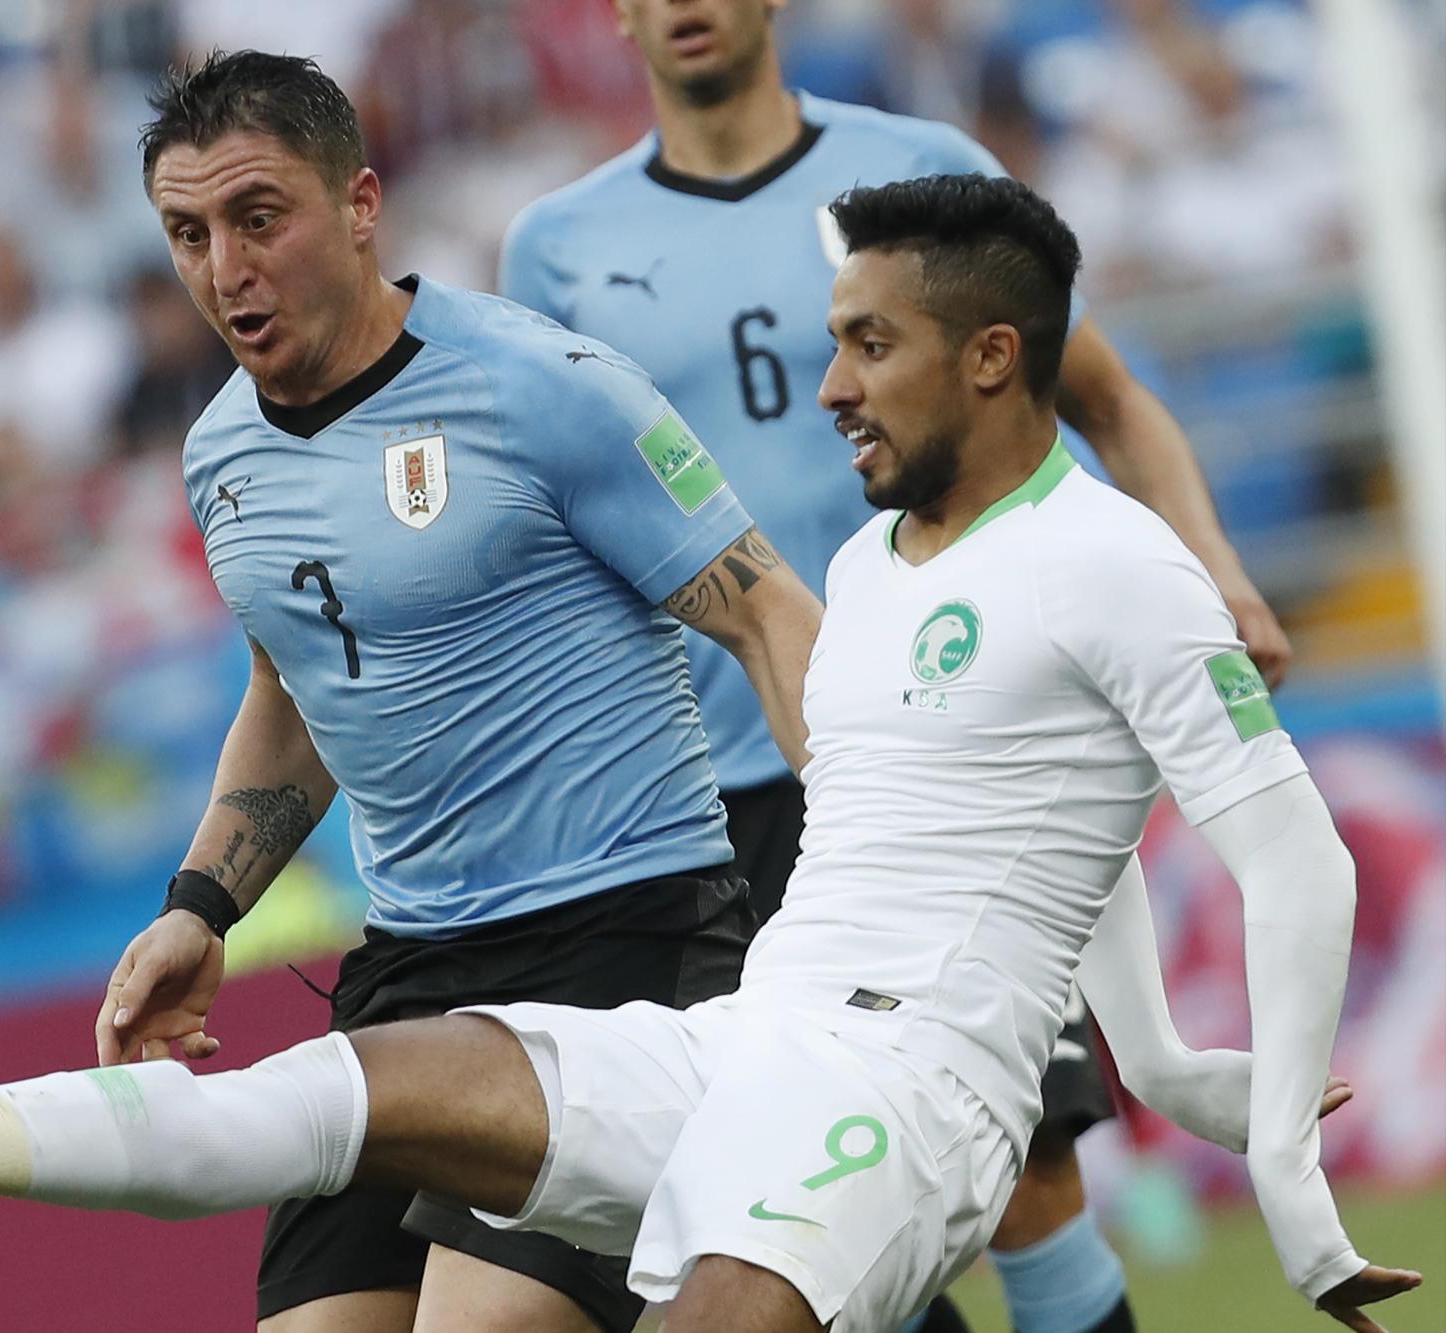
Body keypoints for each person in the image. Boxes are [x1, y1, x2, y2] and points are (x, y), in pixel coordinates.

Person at [0, 171, 1420, 1333]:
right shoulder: (885, 566)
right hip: (750, 1037)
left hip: (910, 1094)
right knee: (353, 1091)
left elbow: (1297, 854)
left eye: (868, 350)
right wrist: (1169, 1048)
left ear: (994, 355)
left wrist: (1271, 1143)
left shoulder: (1119, 561)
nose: (826, 391)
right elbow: (1051, 832)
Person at [497, 5, 1295, 1330]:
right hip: (722, 783)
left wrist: (1214, 562)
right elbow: (553, 509)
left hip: (955, 736)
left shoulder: (915, 167)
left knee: (1025, 1171)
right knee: (782, 1192)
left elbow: (1104, 395)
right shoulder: (558, 247)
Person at [130, 49, 820, 1333]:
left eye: (256, 217)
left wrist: (862, 897)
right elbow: (295, 697)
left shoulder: (543, 388)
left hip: (623, 943)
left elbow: (772, 616)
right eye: (188, 232)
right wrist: (200, 907)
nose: (223, 268)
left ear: (357, 204)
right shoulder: (220, 452)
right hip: (406, 970)